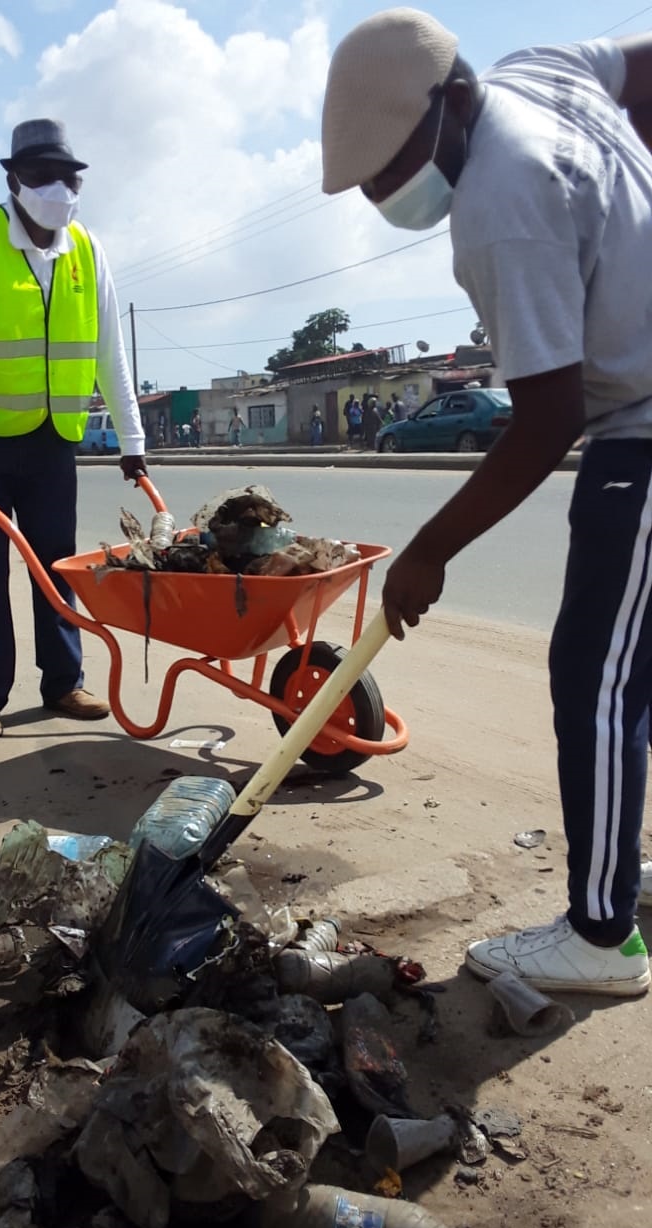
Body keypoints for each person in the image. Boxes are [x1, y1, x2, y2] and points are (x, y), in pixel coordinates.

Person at [321, 8, 652, 994]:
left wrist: (427, 550)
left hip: (640, 434)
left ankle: (601, 936)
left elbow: (545, 419)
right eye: (373, 184)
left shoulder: (498, 207)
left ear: (453, 99)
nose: (388, 194)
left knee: (593, 678)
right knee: (639, 673)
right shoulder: (543, 70)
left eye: (394, 168)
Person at [0, 118, 147, 741]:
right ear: (14, 180)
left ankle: (62, 682)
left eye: (68, 176)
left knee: (58, 566)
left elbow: (110, 350)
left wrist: (132, 441)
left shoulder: (86, 248)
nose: (57, 188)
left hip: (55, 437)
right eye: (42, 176)